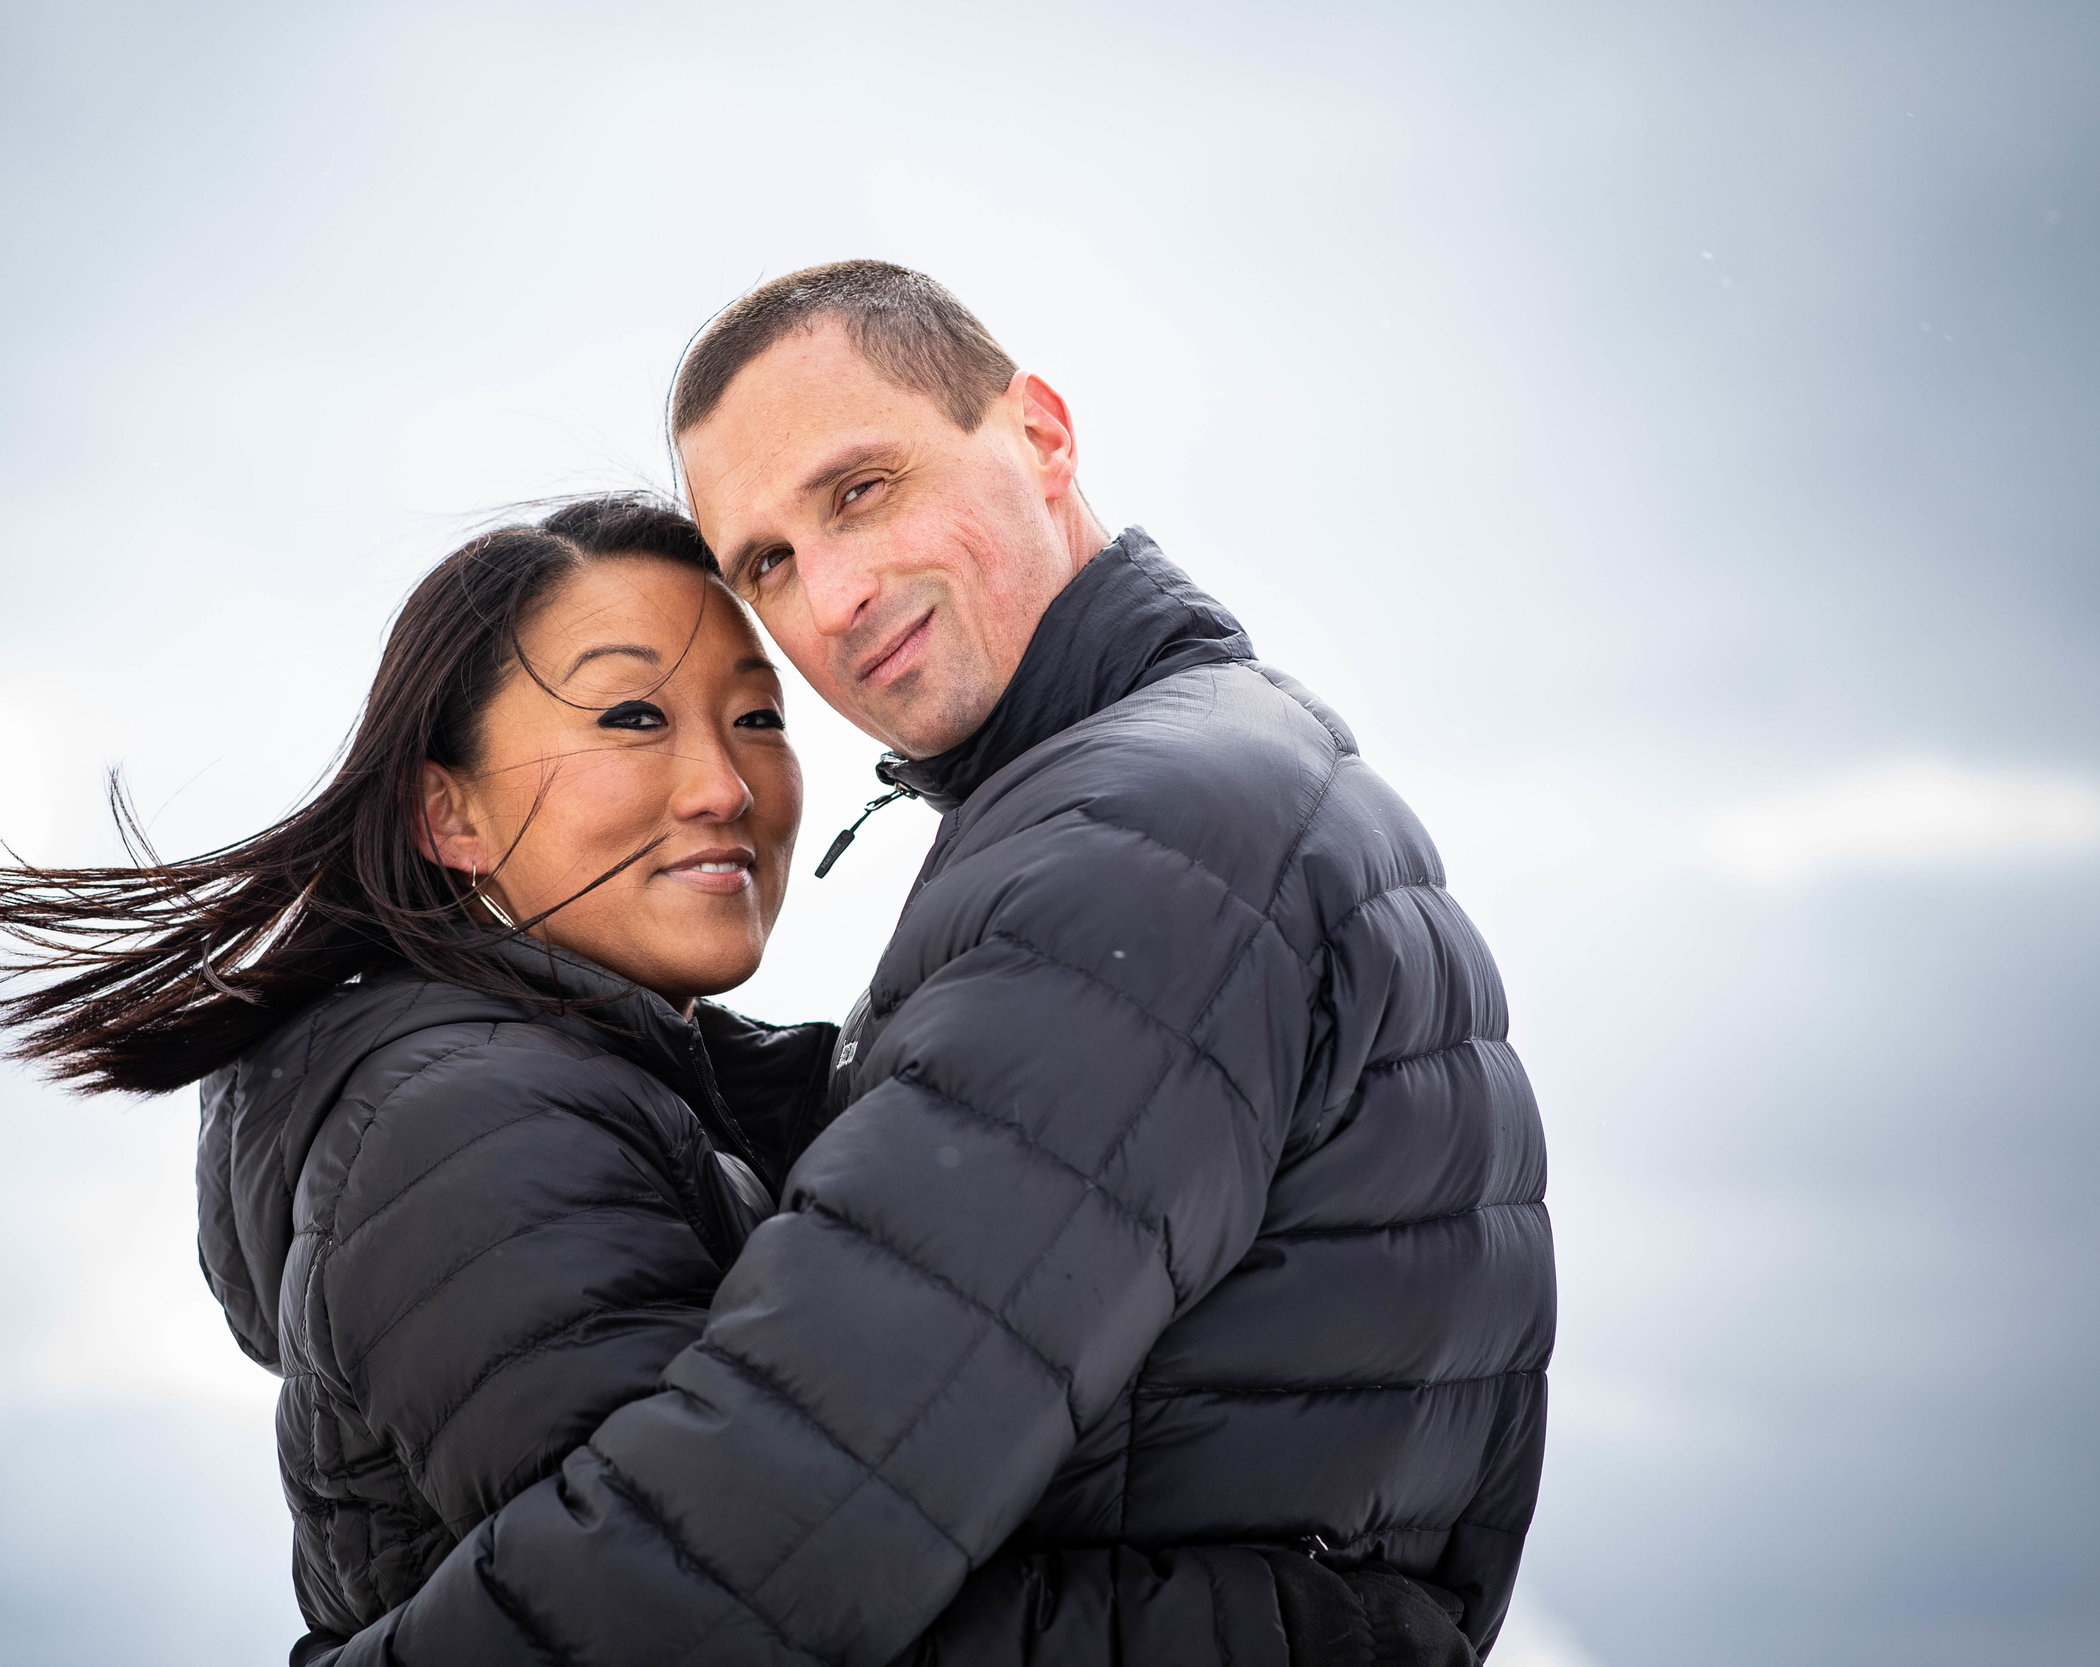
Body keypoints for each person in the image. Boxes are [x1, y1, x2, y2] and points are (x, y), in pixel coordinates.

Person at [317, 264, 1555, 1667]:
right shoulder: (1193, 790)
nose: (832, 597)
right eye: (770, 561)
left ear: (1040, 434)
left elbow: (761, 1539)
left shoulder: (1143, 834)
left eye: (861, 488)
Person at [0, 497, 841, 1650]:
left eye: (757, 713)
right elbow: (687, 1602)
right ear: (447, 812)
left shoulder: (633, 1089)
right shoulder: (472, 1122)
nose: (725, 784)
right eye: (634, 713)